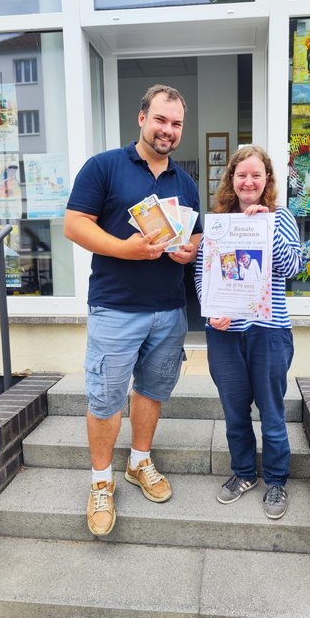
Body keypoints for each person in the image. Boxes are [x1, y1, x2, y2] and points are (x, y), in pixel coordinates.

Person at [64, 84, 202, 537]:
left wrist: (189, 251)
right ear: (141, 118)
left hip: (169, 308)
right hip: (116, 308)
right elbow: (74, 225)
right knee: (105, 397)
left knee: (153, 391)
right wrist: (125, 250)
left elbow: (193, 237)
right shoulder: (103, 167)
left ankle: (139, 462)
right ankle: (101, 481)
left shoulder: (185, 183)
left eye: (176, 123)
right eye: (161, 119)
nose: (168, 130)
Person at [194, 145, 302, 519]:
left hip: (268, 332)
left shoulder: (281, 217)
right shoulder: (219, 222)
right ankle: (243, 474)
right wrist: (211, 313)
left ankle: (275, 481)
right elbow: (202, 272)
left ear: (267, 180)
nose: (248, 181)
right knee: (234, 411)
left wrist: (264, 229)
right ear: (232, 179)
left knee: (271, 412)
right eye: (242, 174)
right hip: (225, 334)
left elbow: (292, 267)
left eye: (256, 175)